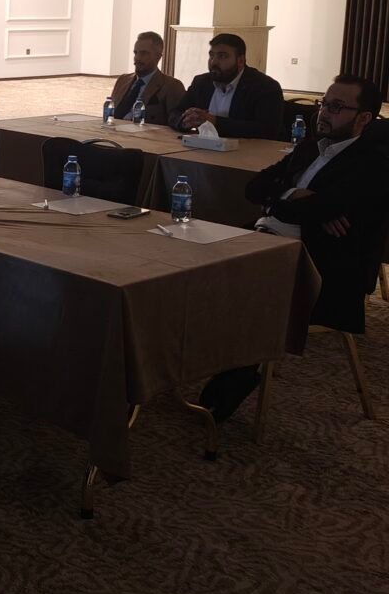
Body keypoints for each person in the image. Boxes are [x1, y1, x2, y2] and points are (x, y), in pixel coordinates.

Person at [199, 75, 389, 420]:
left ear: (364, 118)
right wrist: (295, 197)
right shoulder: (309, 147)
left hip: (320, 268)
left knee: (244, 285)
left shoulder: (372, 163)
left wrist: (298, 205)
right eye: (323, 103)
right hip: (269, 241)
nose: (324, 113)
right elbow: (254, 188)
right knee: (192, 263)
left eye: (336, 107)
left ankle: (235, 373)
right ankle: (196, 360)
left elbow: (313, 207)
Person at [170, 32, 284, 139]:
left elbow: (267, 130)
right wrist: (185, 121)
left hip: (246, 151)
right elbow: (175, 113)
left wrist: (214, 121)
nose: (213, 62)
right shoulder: (201, 82)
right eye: (211, 55)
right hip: (201, 148)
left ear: (240, 61)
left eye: (222, 56)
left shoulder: (265, 87)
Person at [109, 31, 185, 125]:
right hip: (114, 130)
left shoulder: (171, 86)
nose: (137, 58)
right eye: (135, 53)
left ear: (158, 57)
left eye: (143, 53)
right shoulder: (123, 80)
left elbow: (177, 121)